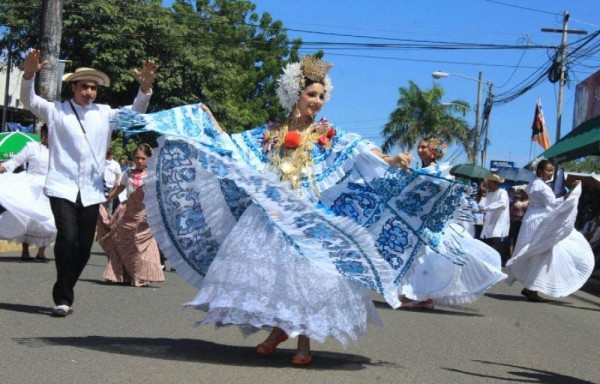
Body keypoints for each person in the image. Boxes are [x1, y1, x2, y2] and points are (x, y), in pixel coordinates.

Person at [111, 56, 477, 365]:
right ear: (294, 94)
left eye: (321, 96)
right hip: (269, 215)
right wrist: (205, 126)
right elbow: (234, 147)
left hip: (308, 215)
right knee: (279, 283)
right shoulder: (269, 133)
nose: (317, 102)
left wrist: (392, 158)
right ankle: (280, 333)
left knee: (310, 279)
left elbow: (358, 149)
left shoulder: (328, 135)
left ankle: (299, 342)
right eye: (311, 94)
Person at [20, 48, 157, 317]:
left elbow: (135, 112)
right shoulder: (56, 111)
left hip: (93, 191)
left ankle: (65, 287)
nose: (90, 92)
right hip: (62, 186)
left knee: (83, 247)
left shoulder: (104, 113)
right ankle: (63, 297)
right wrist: (28, 75)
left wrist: (145, 87)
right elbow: (29, 100)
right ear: (73, 87)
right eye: (85, 87)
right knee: (67, 238)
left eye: (93, 88)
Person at [398, 136, 505, 309]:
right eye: (418, 147)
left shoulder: (441, 172)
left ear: (434, 151)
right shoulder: (424, 171)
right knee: (421, 260)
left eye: (424, 147)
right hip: (417, 222)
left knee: (426, 260)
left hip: (430, 225)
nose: (419, 150)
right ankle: (421, 297)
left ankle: (421, 296)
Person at [505, 159, 595, 302]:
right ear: (540, 171)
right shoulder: (541, 186)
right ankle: (531, 288)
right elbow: (553, 203)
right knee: (541, 253)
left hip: (533, 219)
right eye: (548, 170)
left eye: (552, 171)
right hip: (539, 221)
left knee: (539, 253)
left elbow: (551, 203)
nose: (550, 173)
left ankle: (531, 288)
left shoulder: (536, 184)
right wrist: (572, 191)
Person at [97, 143, 164, 286]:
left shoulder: (153, 175)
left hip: (144, 213)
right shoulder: (127, 173)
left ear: (149, 159)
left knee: (141, 244)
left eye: (143, 158)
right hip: (126, 212)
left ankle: (141, 276)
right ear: (133, 158)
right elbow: (119, 190)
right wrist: (103, 198)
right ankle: (119, 275)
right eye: (137, 158)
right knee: (121, 242)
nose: (140, 161)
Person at [0, 124, 56, 262]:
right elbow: (15, 161)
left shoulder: (59, 151)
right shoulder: (31, 147)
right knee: (26, 218)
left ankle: (41, 252)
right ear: (44, 133)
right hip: (29, 186)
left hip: (48, 188)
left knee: (46, 219)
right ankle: (25, 251)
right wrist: (3, 167)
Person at [479, 173, 511, 266]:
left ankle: (499, 264)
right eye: (488, 183)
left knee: (498, 246)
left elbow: (502, 204)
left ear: (497, 183)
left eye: (491, 183)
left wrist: (486, 208)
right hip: (489, 223)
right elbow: (482, 205)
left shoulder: (502, 192)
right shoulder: (488, 194)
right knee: (488, 245)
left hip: (499, 223)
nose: (488, 185)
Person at [508, 187, 528, 255]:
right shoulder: (515, 201)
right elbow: (510, 211)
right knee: (510, 240)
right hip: (513, 222)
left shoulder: (529, 202)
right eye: (521, 191)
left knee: (518, 240)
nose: (522, 193)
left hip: (523, 223)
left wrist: (521, 218)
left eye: (524, 191)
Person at [103, 148, 121, 214]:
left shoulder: (115, 164)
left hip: (111, 185)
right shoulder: (102, 162)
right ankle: (101, 217)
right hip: (102, 185)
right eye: (108, 154)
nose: (109, 156)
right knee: (102, 201)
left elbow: (118, 173)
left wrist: (117, 181)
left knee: (110, 200)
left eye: (110, 154)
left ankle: (109, 216)